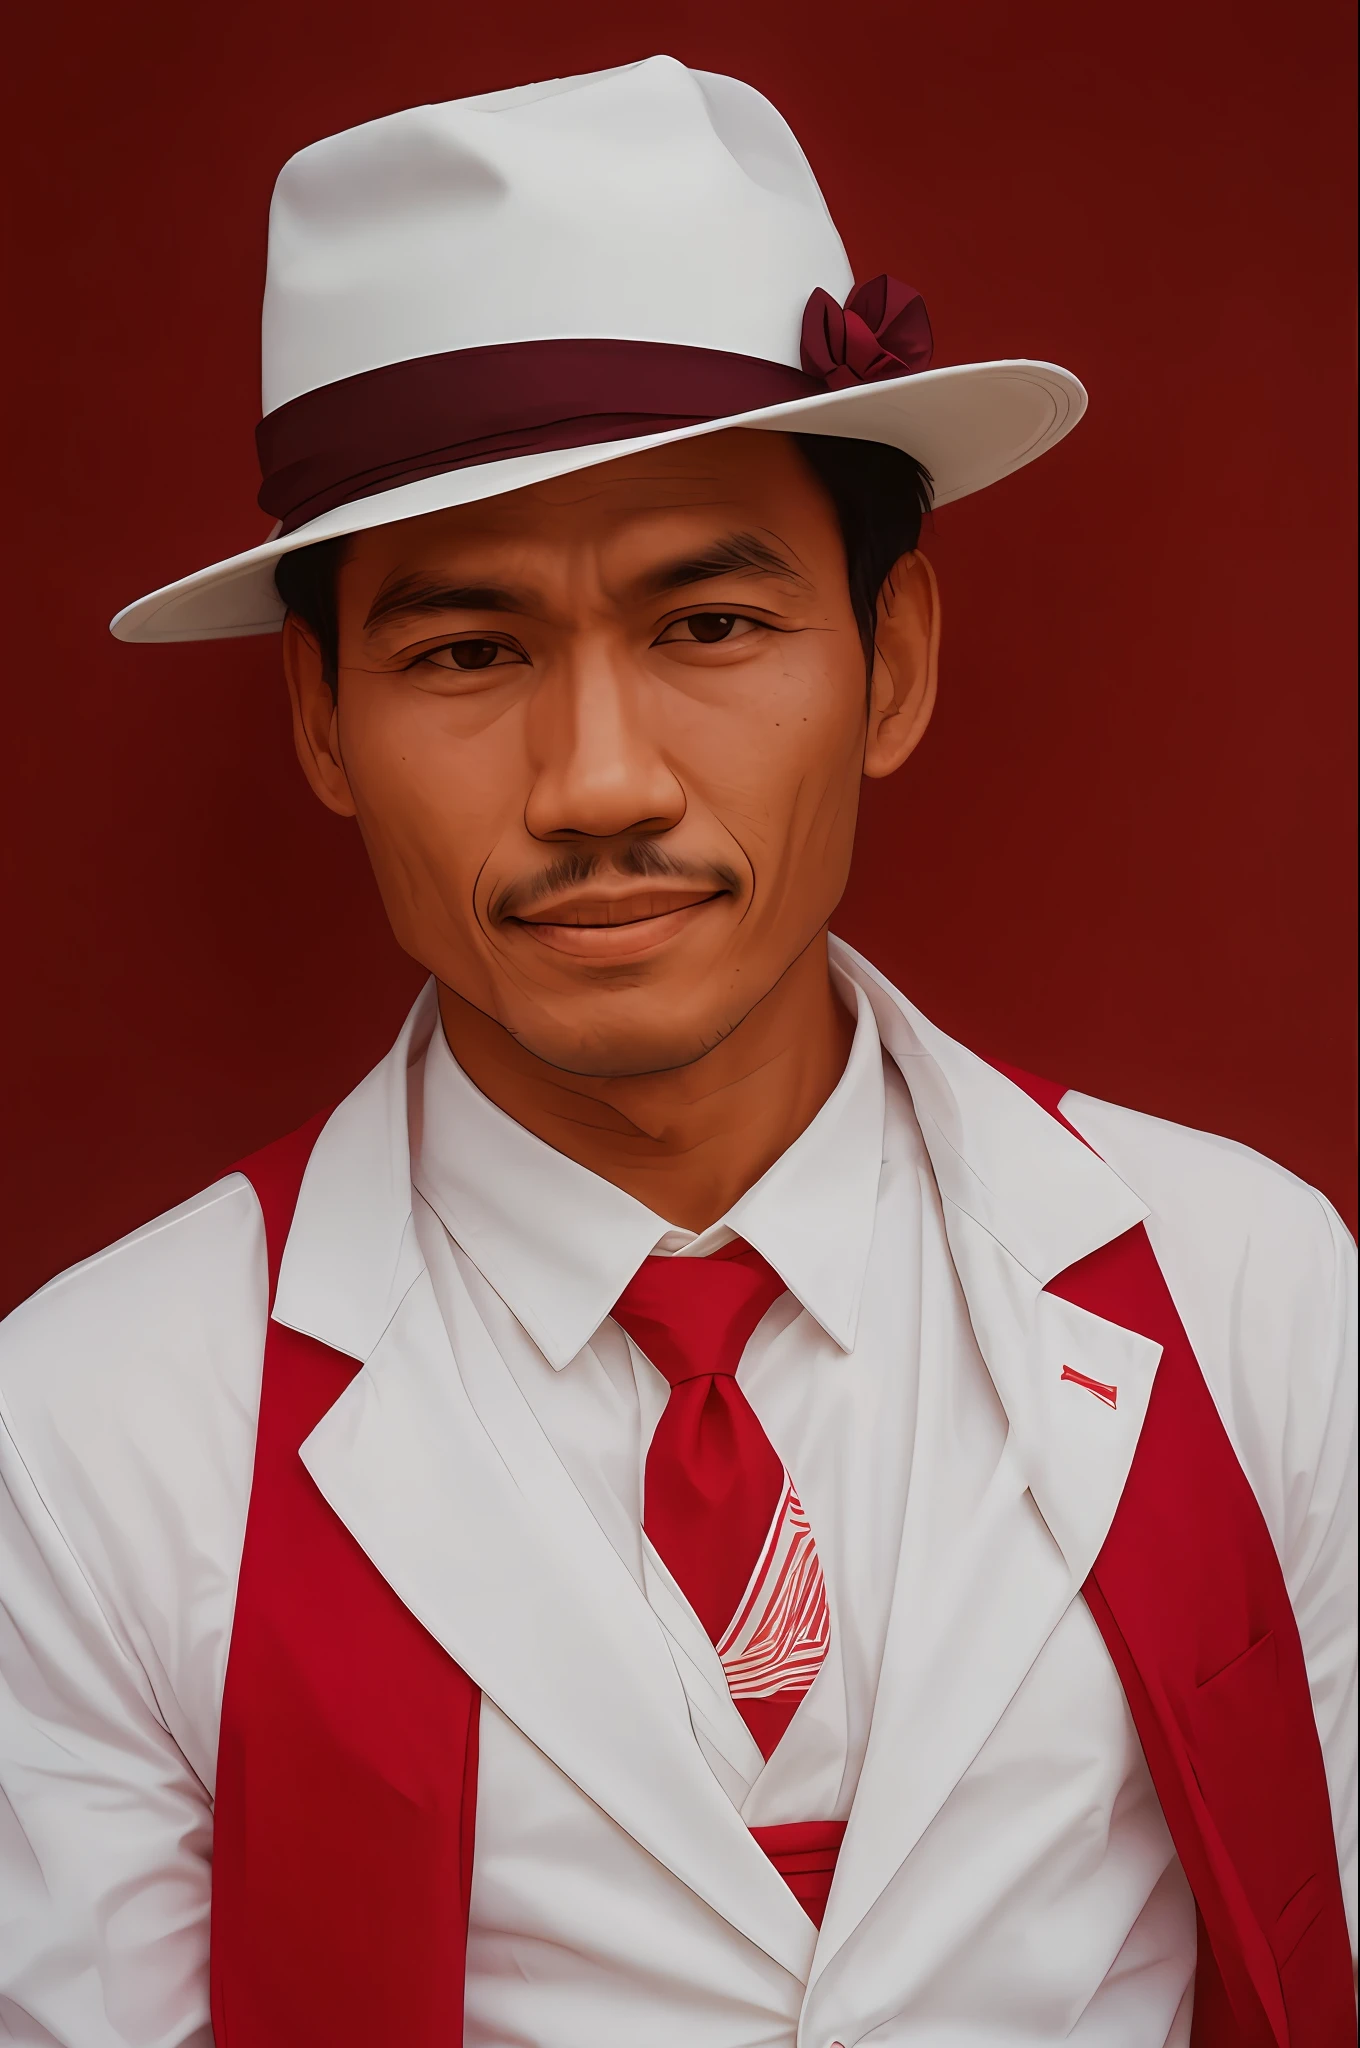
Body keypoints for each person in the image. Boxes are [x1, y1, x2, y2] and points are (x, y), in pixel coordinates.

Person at [0, 54, 1353, 2048]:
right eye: (466, 651)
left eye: (707, 624)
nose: (595, 781)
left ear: (888, 662)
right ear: (317, 719)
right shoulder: (90, 1430)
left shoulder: (1250, 1286)